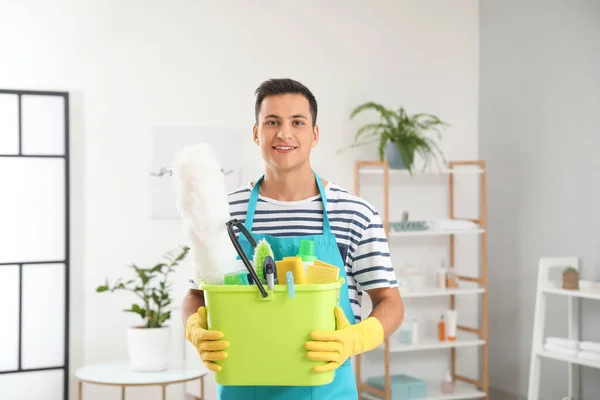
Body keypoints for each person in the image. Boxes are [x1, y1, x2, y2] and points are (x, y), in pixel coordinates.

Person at [182, 78, 404, 399]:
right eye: (272, 122)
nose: (284, 133)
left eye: (297, 122)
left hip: (327, 391)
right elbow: (195, 295)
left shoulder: (355, 213)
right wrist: (195, 329)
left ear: (314, 134)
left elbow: (391, 303)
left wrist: (357, 338)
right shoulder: (222, 213)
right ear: (256, 133)